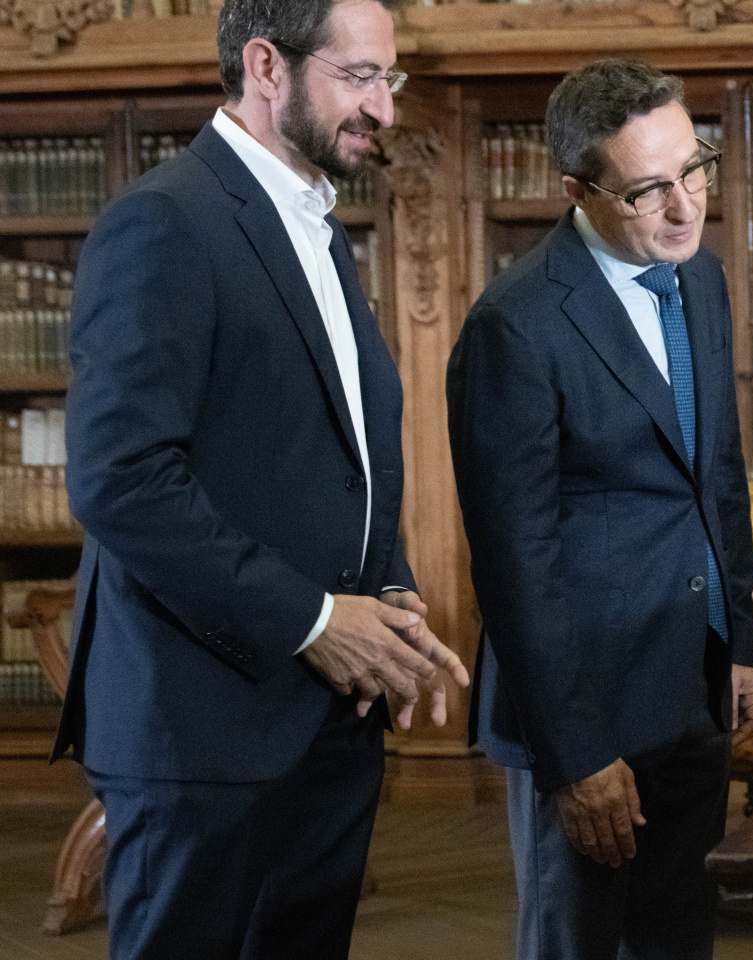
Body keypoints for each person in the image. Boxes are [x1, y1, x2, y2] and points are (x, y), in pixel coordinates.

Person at [59, 1, 469, 957]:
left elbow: (333, 453)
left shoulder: (318, 230)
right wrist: (319, 621)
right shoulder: (162, 223)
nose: (386, 110)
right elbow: (121, 481)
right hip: (200, 729)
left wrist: (389, 587)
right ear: (266, 66)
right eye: (360, 77)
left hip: (326, 721)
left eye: (389, 80)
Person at [447, 58, 753, 960]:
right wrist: (576, 753)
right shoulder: (515, 326)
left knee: (677, 943)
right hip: (587, 717)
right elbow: (515, 564)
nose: (685, 206)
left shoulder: (698, 279)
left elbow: (720, 473)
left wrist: (734, 642)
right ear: (578, 191)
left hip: (692, 689)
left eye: (694, 169)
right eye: (649, 190)